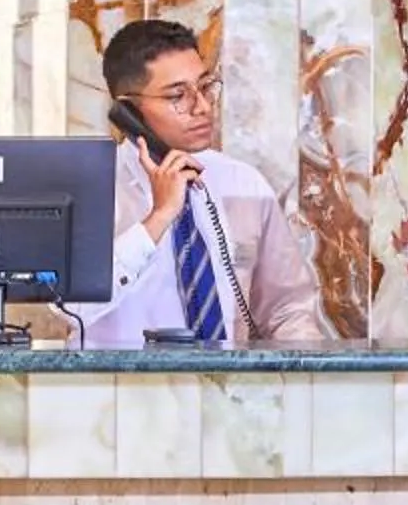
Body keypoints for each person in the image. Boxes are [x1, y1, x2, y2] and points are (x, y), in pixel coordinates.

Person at [70, 18, 333, 347]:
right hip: (119, 393)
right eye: (178, 96)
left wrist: (303, 381)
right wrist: (159, 217)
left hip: (224, 392)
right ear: (128, 112)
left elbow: (287, 309)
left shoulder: (243, 184)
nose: (203, 106)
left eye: (206, 86)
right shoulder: (91, 186)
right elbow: (72, 307)